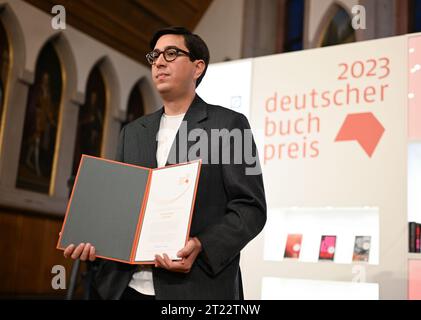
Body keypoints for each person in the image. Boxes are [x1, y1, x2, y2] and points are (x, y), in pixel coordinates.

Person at [63, 26, 267, 300]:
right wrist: (94, 239)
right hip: (126, 288)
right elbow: (120, 208)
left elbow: (251, 208)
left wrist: (201, 245)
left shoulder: (230, 125)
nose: (159, 62)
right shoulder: (133, 132)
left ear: (197, 67)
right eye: (155, 55)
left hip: (195, 289)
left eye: (171, 54)